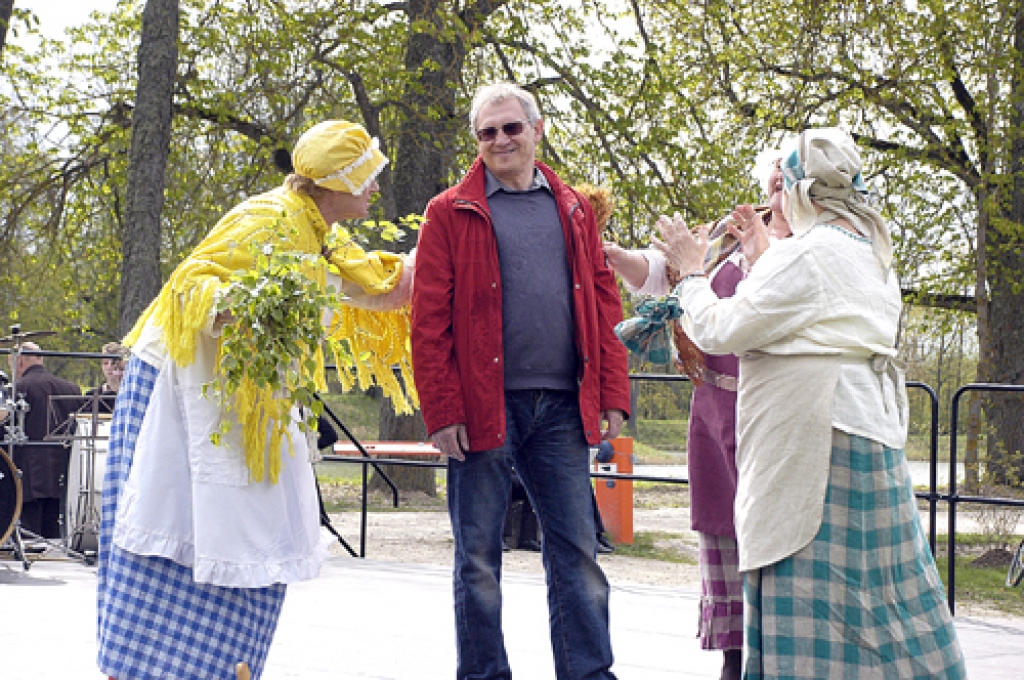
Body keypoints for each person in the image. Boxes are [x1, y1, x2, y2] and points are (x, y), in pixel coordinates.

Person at [97, 120, 414, 680]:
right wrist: (261, 300)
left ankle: (224, 668)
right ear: (331, 180)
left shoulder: (319, 232)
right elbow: (191, 285)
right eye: (365, 175)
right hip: (174, 396)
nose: (374, 188)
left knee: (243, 537)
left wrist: (443, 253)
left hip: (239, 402)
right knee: (173, 535)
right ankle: (147, 668)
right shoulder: (268, 219)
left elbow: (376, 287)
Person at [655, 128, 967, 678]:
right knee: (880, 601)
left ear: (802, 192)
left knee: (813, 605)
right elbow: (797, 308)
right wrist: (762, 258)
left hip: (815, 448)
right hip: (864, 434)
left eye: (781, 188)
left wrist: (689, 272)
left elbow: (718, 327)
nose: (772, 201)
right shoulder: (867, 251)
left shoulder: (811, 253)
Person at [411, 82, 631, 680]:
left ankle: (589, 673)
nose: (500, 140)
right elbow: (427, 318)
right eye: (487, 132)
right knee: (478, 559)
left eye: (511, 128)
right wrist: (442, 409)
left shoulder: (575, 209)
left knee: (577, 553)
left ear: (537, 130)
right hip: (482, 408)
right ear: (477, 141)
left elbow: (605, 304)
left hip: (562, 407)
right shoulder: (448, 212)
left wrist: (614, 392)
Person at [602, 157, 790, 680]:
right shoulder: (734, 235)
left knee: (770, 538)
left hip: (768, 414)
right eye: (773, 179)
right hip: (713, 412)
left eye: (789, 179)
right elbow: (668, 275)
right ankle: (734, 660)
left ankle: (777, 654)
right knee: (724, 532)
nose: (778, 189)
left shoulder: (803, 251)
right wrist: (618, 257)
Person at [7, 341, 81, 540]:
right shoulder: (72, 388)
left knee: (29, 538)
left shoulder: (16, 389)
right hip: (65, 475)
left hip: (27, 476)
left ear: (19, 361)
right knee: (56, 540)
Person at [83, 342, 126, 414]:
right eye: (105, 363)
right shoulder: (91, 395)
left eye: (113, 363)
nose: (109, 367)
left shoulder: (130, 393)